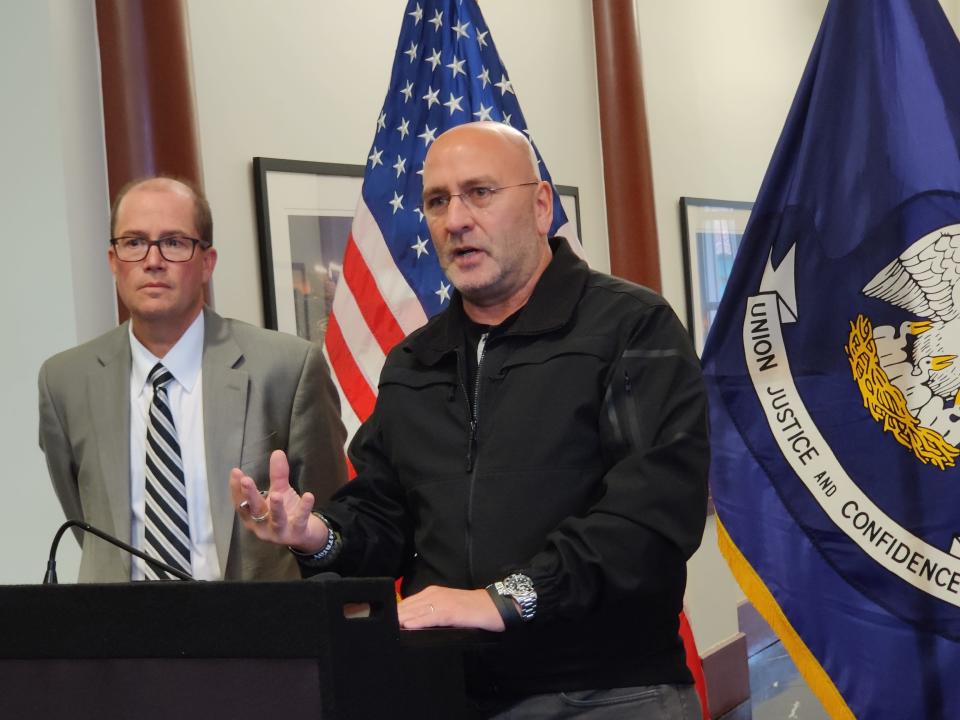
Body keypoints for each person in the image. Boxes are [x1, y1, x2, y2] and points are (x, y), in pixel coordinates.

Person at [232, 122, 708, 718]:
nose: (455, 219)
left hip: (607, 692)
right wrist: (317, 536)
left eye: (480, 192)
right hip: (448, 689)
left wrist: (508, 599)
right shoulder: (414, 360)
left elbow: (653, 517)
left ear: (539, 206)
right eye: (437, 201)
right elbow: (386, 515)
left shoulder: (631, 327)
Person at [38, 176, 347, 582]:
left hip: (255, 632)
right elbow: (86, 518)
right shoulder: (64, 381)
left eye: (173, 242)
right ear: (113, 261)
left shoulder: (287, 368)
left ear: (207, 262)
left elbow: (329, 522)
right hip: (116, 633)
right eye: (133, 243)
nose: (152, 260)